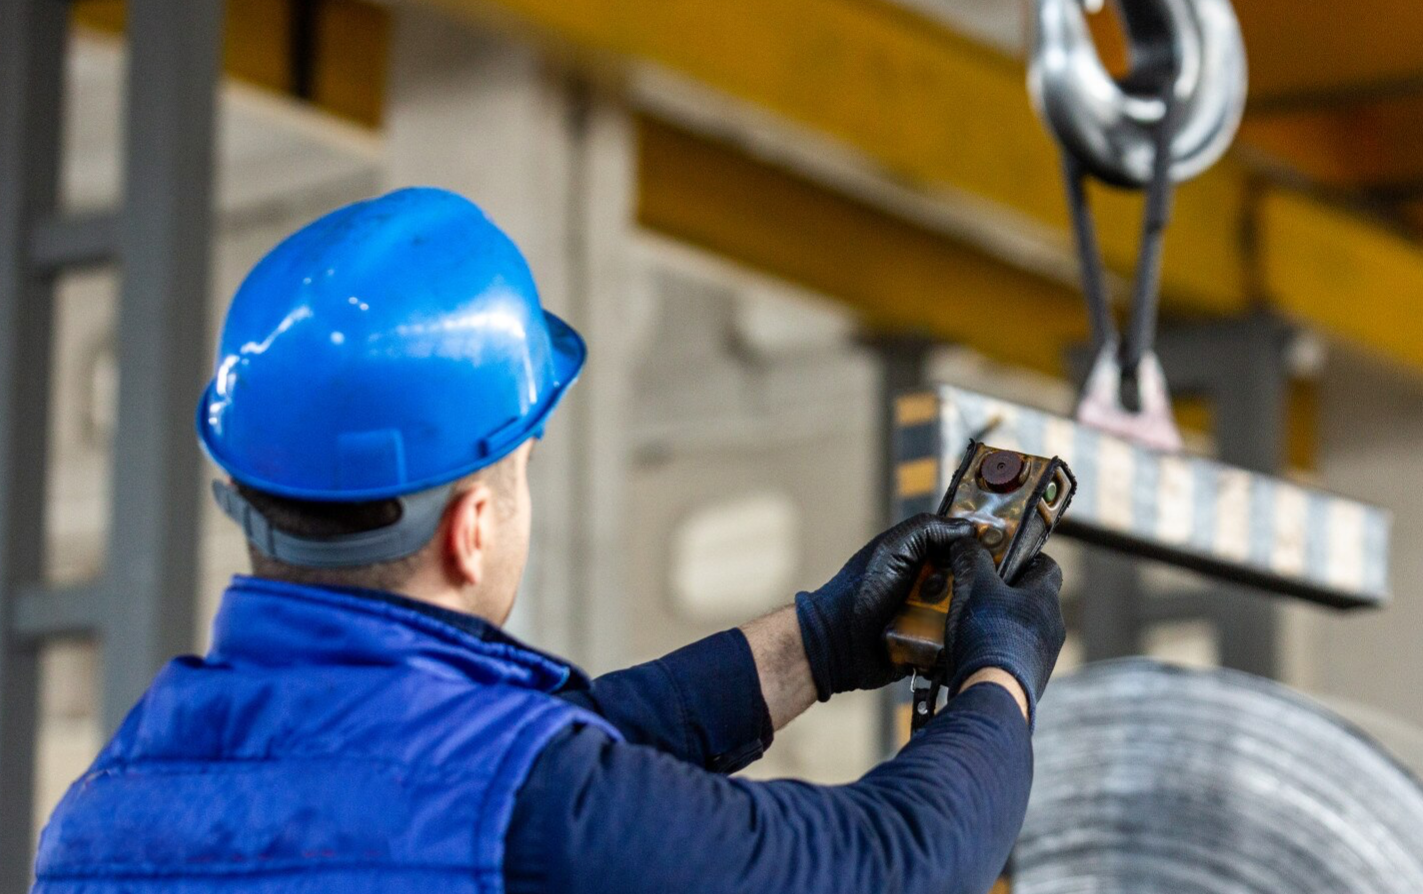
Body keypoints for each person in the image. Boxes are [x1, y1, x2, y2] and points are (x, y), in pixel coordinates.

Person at [32, 188, 1066, 894]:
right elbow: (882, 865)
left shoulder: (103, 809)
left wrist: (820, 642)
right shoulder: (536, 809)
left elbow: (488, 755)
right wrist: (999, 675)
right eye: (519, 469)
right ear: (472, 530)